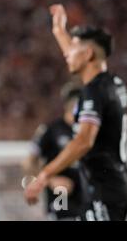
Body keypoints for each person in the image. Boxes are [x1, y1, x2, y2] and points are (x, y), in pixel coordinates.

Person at [25, 4, 127, 221]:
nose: (67, 55)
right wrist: (59, 31)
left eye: (72, 49)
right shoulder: (112, 82)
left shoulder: (95, 91)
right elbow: (78, 56)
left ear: (88, 53)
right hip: (105, 184)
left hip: (105, 188)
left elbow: (83, 141)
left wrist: (44, 176)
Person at [22, 83, 85, 220]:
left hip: (86, 196)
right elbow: (28, 162)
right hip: (61, 199)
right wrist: (50, 180)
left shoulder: (88, 132)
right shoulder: (51, 129)